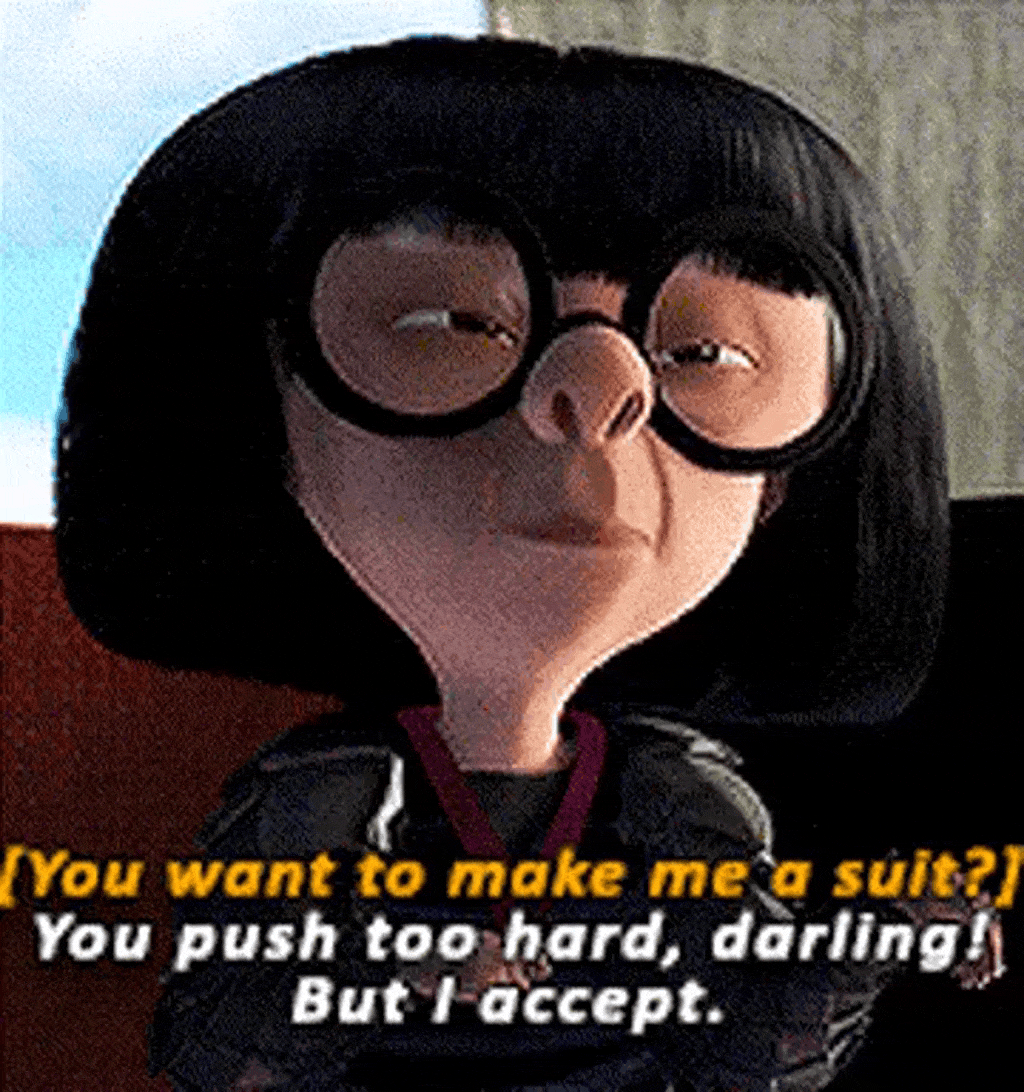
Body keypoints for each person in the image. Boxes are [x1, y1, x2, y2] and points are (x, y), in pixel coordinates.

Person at [55, 35, 968, 1092]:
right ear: (264, 412)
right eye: (454, 324)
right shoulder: (321, 793)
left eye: (702, 353)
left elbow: (750, 1052)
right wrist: (394, 971)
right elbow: (215, 1050)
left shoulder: (682, 793)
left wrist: (871, 942)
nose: (597, 391)